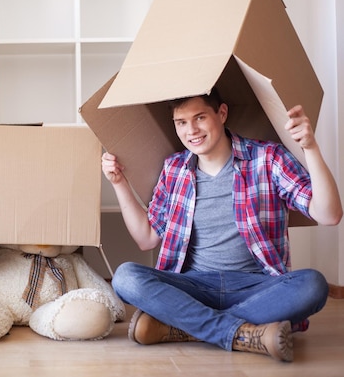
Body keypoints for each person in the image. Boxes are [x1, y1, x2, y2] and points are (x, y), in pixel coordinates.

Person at [102, 91, 342, 362]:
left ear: (222, 113)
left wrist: (310, 147)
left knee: (313, 285)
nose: (191, 130)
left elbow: (330, 215)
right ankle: (245, 332)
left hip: (257, 286)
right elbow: (147, 240)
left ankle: (183, 328)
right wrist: (119, 183)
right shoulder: (174, 169)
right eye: (181, 122)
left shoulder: (268, 157)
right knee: (125, 277)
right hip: (193, 286)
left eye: (200, 117)